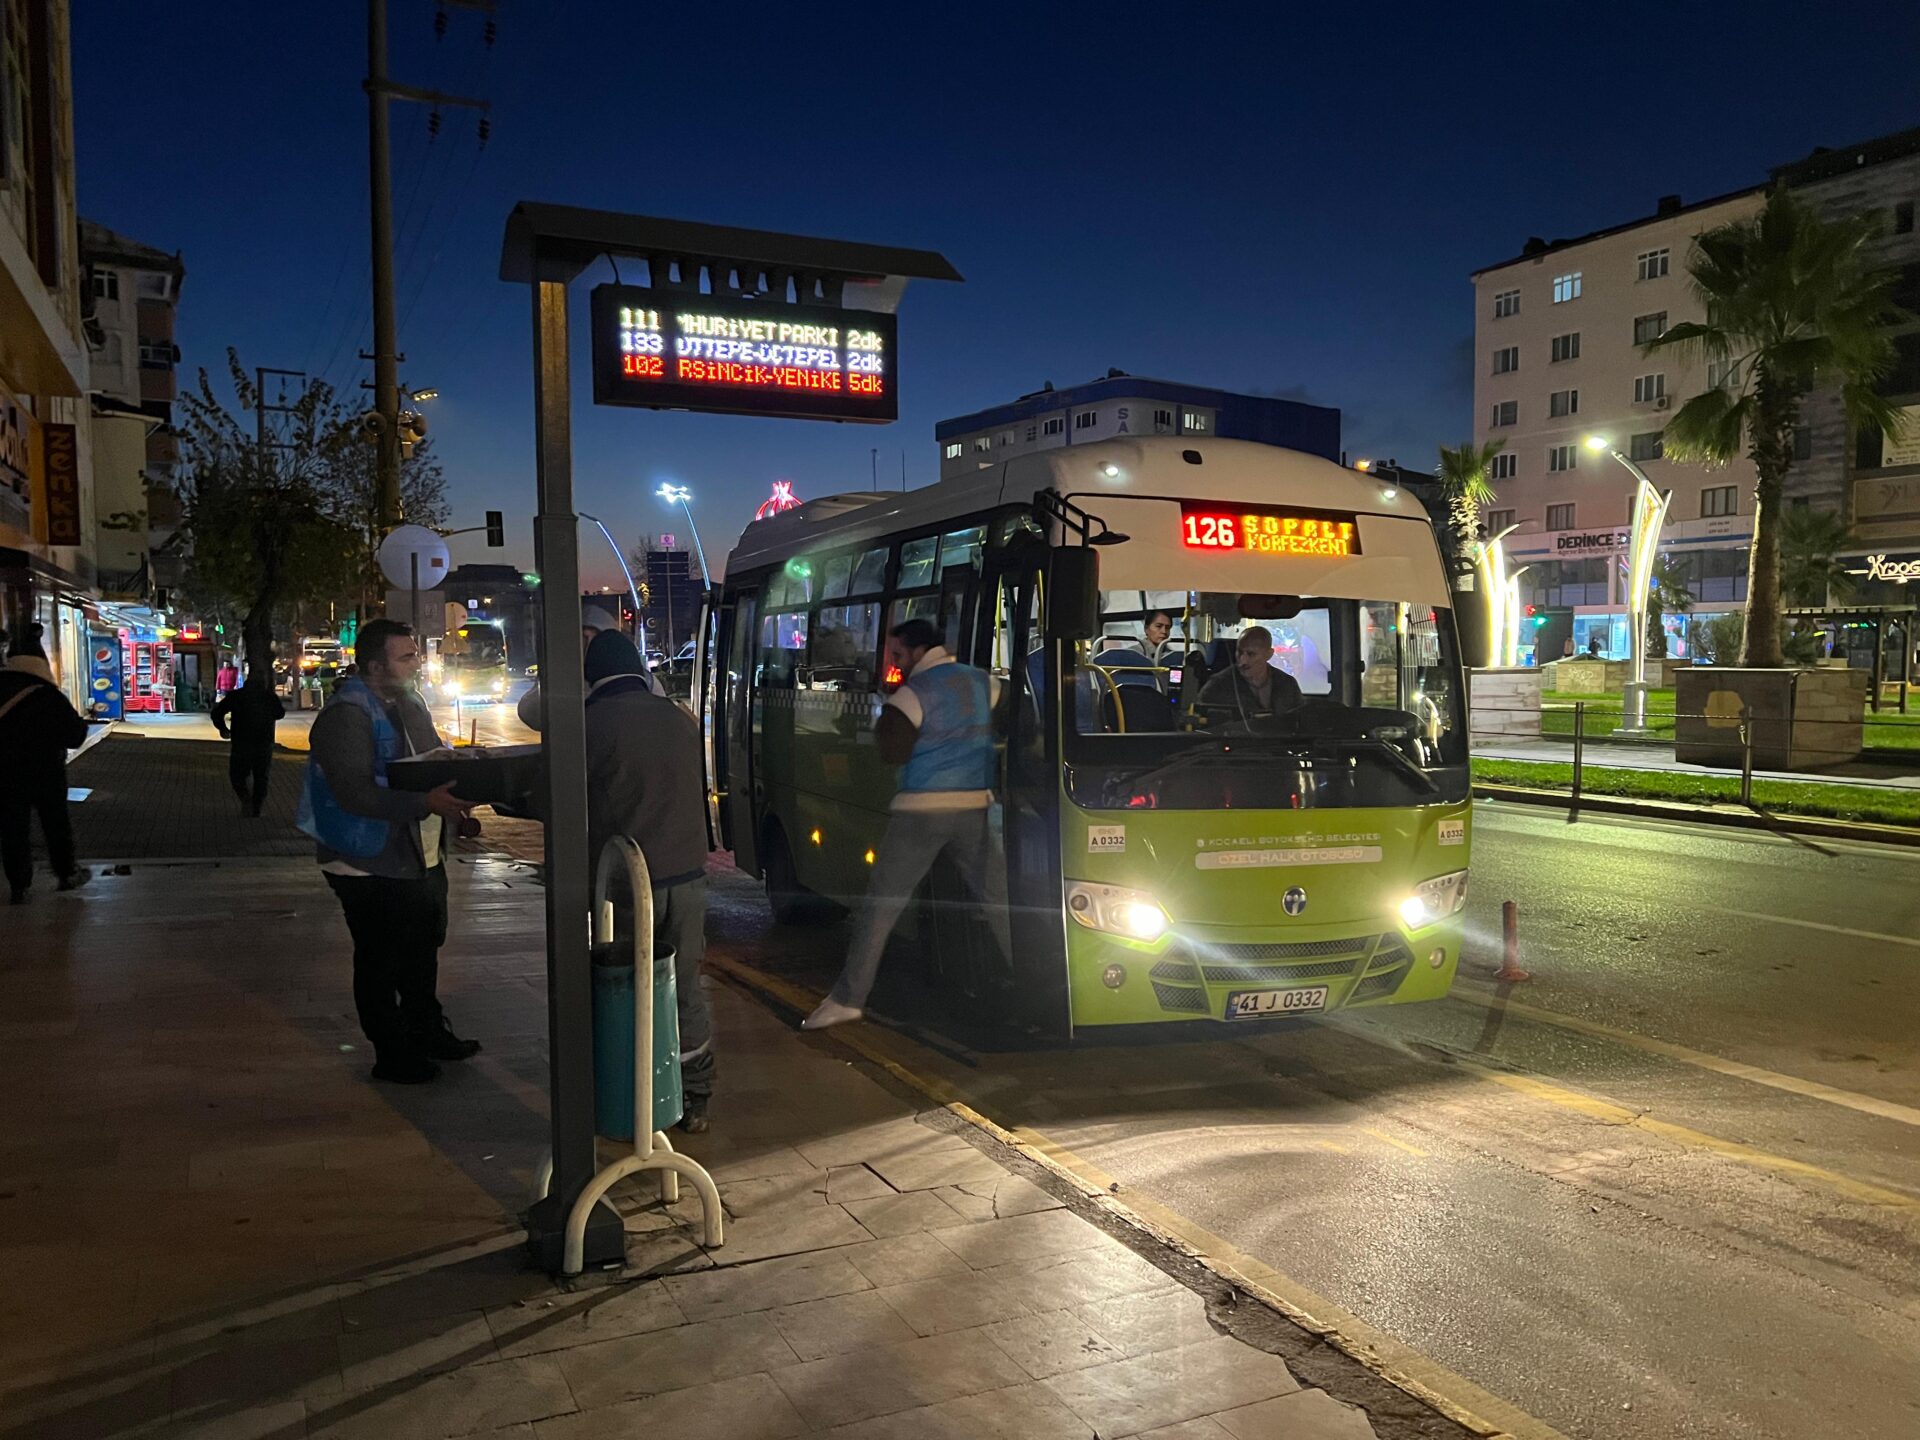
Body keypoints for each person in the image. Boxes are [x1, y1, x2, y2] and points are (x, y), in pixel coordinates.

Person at [804, 618, 1006, 1030]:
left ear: (915, 651)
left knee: (881, 906)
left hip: (920, 812)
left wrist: (888, 709)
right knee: (1001, 898)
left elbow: (891, 751)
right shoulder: (985, 683)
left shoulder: (914, 694)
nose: (894, 663)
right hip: (974, 807)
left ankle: (848, 997)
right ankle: (1037, 974)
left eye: (897, 654)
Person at [301, 619, 476, 1084]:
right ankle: (392, 1052)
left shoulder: (410, 702)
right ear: (375, 666)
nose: (417, 662)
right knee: (380, 957)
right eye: (406, 657)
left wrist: (458, 770)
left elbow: (426, 758)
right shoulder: (346, 715)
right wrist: (426, 802)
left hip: (418, 851)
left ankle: (426, 1031)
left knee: (421, 949)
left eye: (416, 654)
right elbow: (354, 793)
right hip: (364, 857)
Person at [578, 629, 717, 1131]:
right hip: (689, 876)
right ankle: (695, 1093)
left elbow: (560, 795)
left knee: (633, 988)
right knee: (685, 988)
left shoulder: (592, 723)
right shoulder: (679, 718)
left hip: (631, 882)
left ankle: (641, 1096)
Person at [0, 624, 92, 903]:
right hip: (45, 772)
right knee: (55, 823)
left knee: (12, 828)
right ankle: (65, 873)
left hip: (5, 773)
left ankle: (19, 885)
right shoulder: (48, 695)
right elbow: (75, 735)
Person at [517, 605, 662, 733]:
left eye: (594, 638)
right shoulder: (564, 676)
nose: (588, 646)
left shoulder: (644, 681)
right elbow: (530, 713)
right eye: (581, 638)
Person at [210, 666, 285, 816]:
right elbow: (280, 714)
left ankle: (246, 799)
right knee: (261, 776)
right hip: (263, 742)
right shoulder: (268, 697)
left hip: (241, 742)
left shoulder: (237, 696)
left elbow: (217, 712)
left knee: (237, 775)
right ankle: (256, 806)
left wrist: (223, 729)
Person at [1196, 626, 1303, 727]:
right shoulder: (1218, 685)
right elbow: (1201, 726)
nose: (1243, 660)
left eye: (1251, 654)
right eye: (1239, 652)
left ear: (1268, 654)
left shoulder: (1287, 684)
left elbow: (1300, 722)